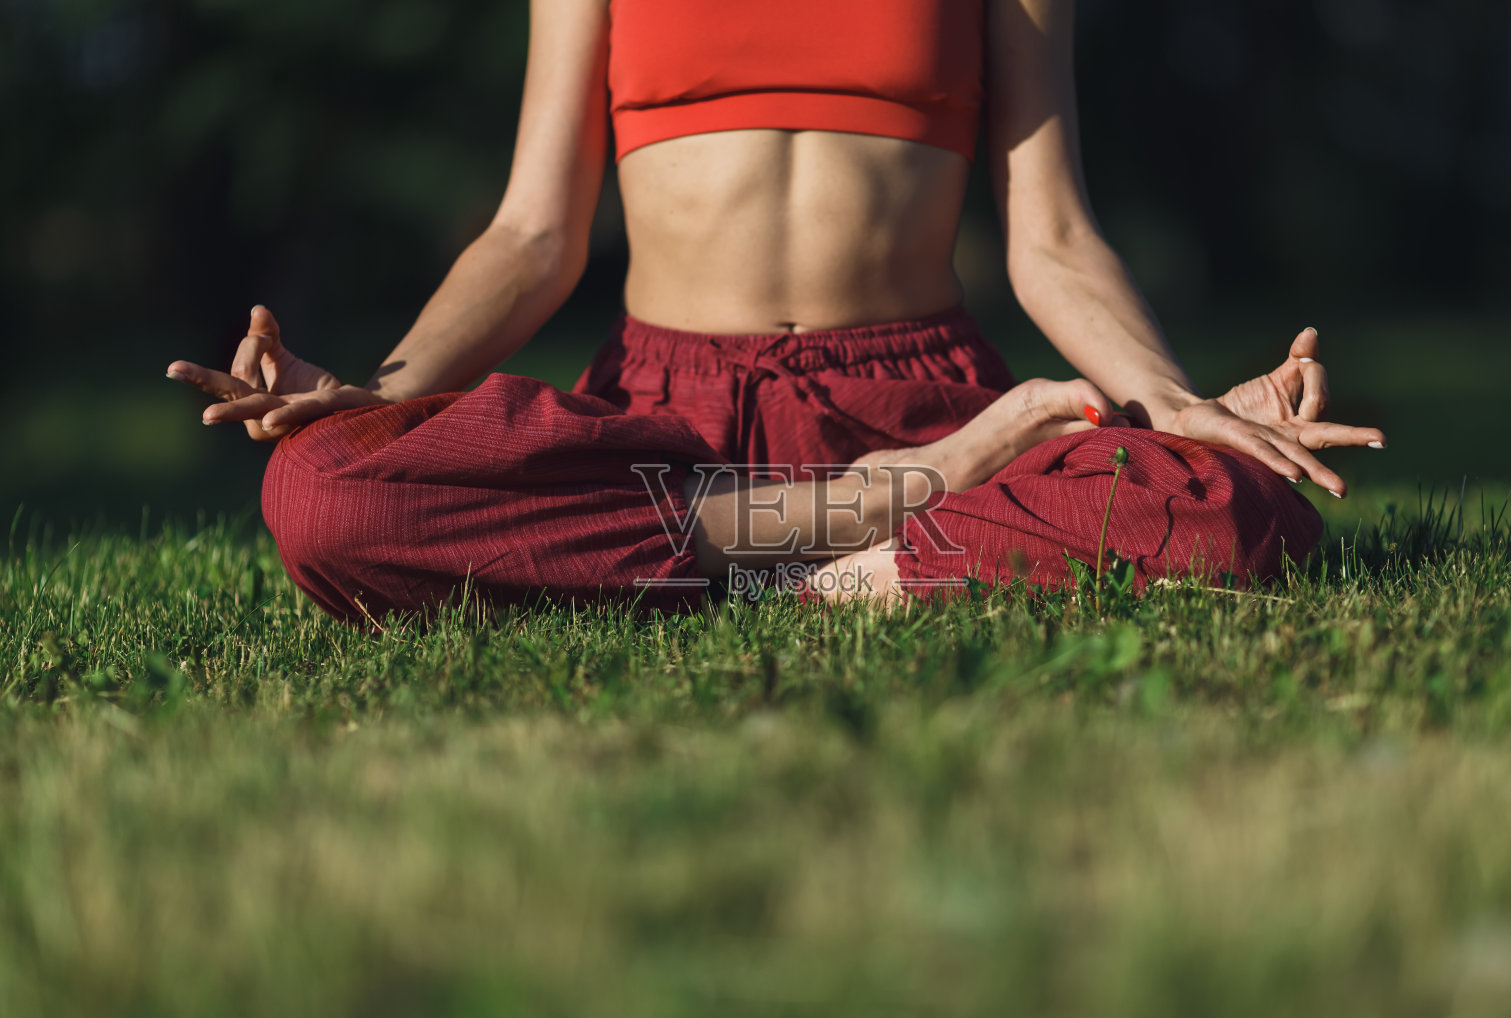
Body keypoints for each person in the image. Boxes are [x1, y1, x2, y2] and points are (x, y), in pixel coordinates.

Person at [166, 0, 1384, 623]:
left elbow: (1052, 232)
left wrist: (1172, 402)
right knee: (324, 492)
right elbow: (534, 233)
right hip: (666, 422)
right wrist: (382, 393)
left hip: (916, 397)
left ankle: (795, 564)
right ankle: (881, 534)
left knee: (1235, 505)